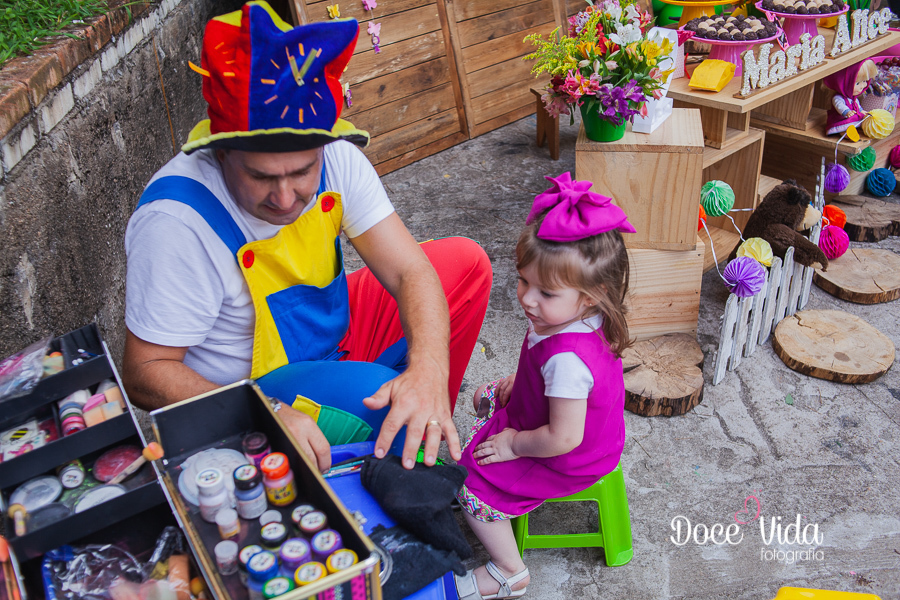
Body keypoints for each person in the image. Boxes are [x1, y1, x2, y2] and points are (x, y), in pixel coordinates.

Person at [122, 1, 491, 473]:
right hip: (252, 387)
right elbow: (144, 373)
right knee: (374, 397)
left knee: (465, 264)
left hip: (327, 341)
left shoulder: (338, 158)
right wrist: (263, 414)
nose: (284, 196)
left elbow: (409, 269)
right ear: (219, 152)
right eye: (260, 177)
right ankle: (387, 458)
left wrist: (428, 374)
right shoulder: (175, 222)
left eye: (301, 172)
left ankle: (427, 426)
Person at [453, 173, 632, 600]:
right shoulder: (568, 318)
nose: (528, 299)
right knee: (483, 409)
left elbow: (564, 436)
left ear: (591, 295)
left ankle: (508, 571)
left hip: (568, 452)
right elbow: (544, 370)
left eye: (545, 292)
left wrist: (514, 444)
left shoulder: (569, 360)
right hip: (553, 418)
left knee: (467, 485)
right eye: (523, 281)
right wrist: (515, 385)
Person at [823, 59, 878, 136]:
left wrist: (861, 111)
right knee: (847, 124)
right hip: (841, 118)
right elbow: (840, 106)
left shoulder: (853, 98)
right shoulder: (838, 98)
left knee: (862, 118)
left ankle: (856, 128)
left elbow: (857, 104)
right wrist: (847, 112)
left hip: (853, 115)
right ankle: (845, 132)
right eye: (858, 83)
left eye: (865, 81)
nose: (862, 86)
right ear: (843, 84)